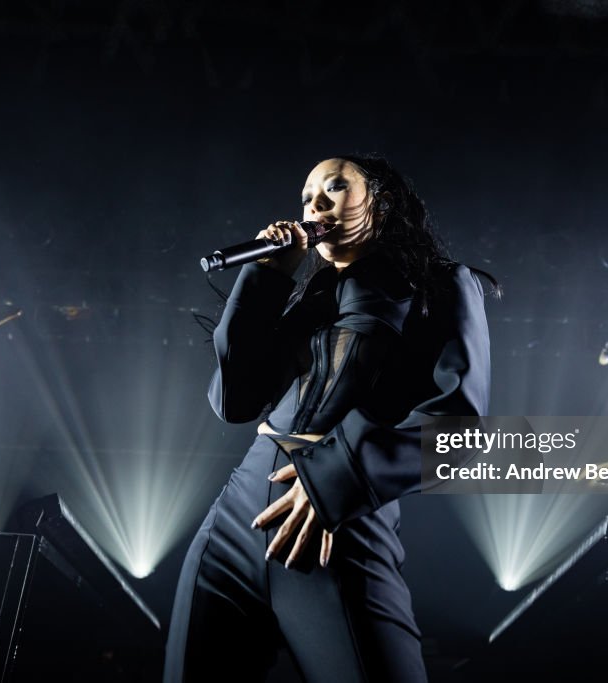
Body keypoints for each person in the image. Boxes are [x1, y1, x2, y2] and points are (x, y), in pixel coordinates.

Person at [165, 156, 494, 682]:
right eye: (306, 195)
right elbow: (235, 401)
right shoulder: (308, 296)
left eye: (335, 188)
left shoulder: (441, 285)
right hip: (236, 516)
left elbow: (458, 423)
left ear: (382, 204)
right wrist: (265, 277)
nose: (313, 204)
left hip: (337, 522)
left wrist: (331, 482)